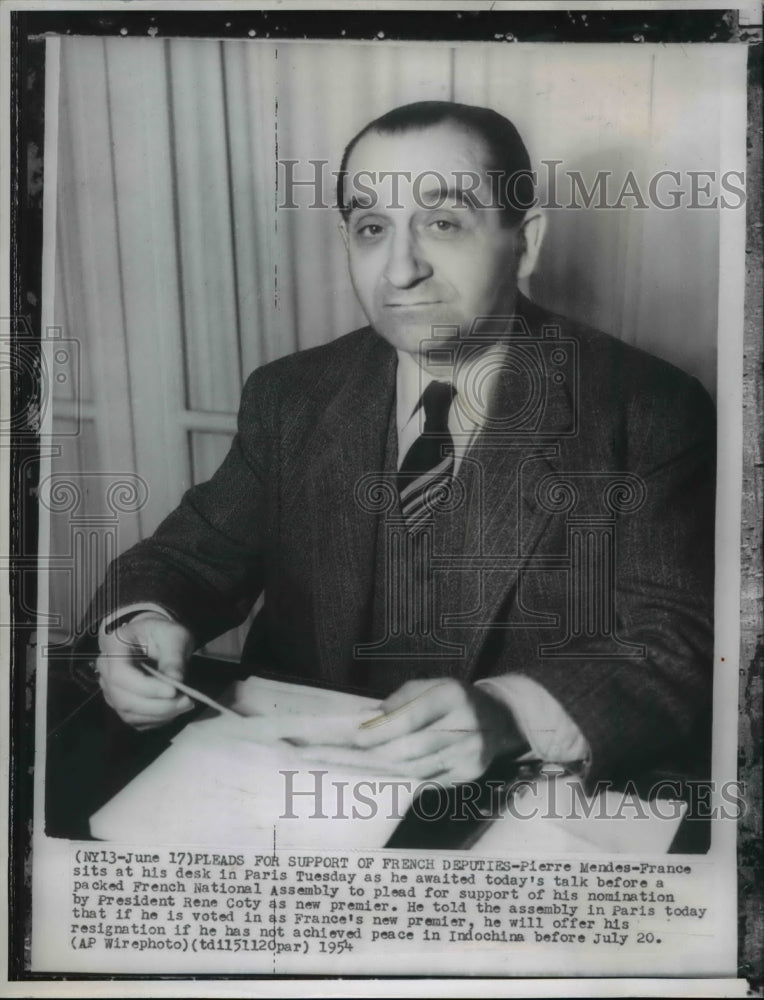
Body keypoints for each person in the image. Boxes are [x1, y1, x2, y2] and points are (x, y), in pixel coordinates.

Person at [79, 101, 715, 797]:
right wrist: (142, 622)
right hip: (288, 795)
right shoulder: (291, 394)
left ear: (525, 243)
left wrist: (509, 713)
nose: (400, 268)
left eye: (443, 223)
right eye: (371, 227)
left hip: (507, 805)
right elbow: (187, 559)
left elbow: (675, 648)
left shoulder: (649, 408)